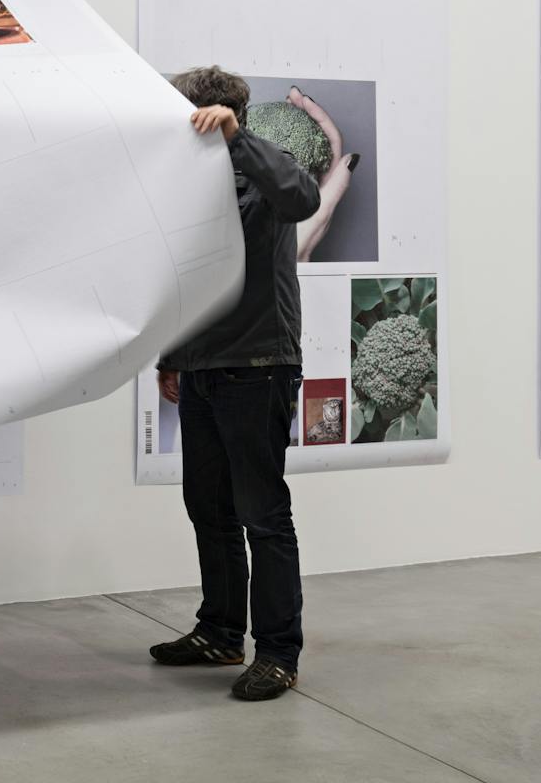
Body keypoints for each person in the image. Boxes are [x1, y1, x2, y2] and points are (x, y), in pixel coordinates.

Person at [150, 67, 321, 702]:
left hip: (258, 368)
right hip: (201, 370)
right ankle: (220, 633)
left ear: (212, 116)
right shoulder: (186, 183)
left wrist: (238, 138)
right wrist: (172, 356)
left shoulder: (264, 172)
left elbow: (304, 198)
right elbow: (186, 278)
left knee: (262, 515)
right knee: (209, 508)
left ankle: (278, 652)